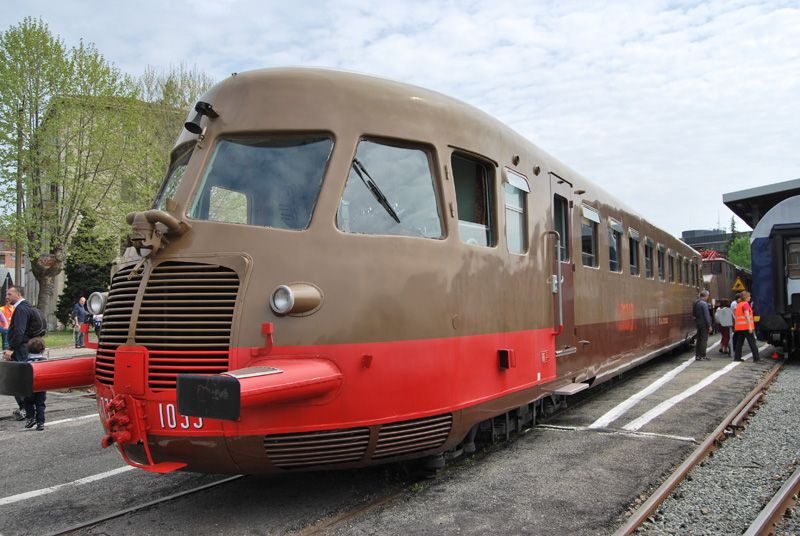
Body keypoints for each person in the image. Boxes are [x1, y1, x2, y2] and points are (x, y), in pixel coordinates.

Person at [3, 286, 34, 420]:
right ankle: (26, 408)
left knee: (17, 378)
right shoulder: (26, 307)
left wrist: (11, 348)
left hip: (19, 348)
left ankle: (25, 408)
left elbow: (19, 331)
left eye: (10, 294)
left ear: (18, 294)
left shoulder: (21, 309)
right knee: (22, 377)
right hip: (23, 347)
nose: (7, 297)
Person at [22, 337, 47, 431]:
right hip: (41, 386)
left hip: (29, 387)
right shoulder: (45, 361)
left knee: (28, 402)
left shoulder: (26, 362)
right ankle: (40, 422)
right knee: (40, 404)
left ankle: (31, 417)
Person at [733, 291, 761, 362]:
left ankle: (737, 357)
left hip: (739, 326)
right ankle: (756, 358)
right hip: (746, 326)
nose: (750, 297)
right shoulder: (746, 304)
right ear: (746, 297)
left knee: (740, 342)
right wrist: (750, 327)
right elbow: (747, 316)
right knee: (752, 342)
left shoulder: (739, 304)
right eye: (749, 296)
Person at [692, 290, 713, 361]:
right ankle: (703, 355)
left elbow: (694, 313)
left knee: (699, 339)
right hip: (704, 323)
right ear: (705, 296)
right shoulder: (704, 304)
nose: (708, 297)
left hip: (698, 322)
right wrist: (709, 325)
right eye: (707, 296)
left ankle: (697, 355)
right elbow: (706, 315)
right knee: (704, 339)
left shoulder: (696, 302)